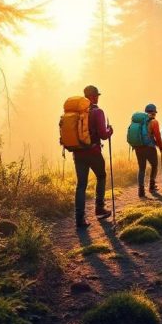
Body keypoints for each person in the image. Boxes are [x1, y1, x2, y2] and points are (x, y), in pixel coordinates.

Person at [73, 85, 112, 229]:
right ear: (94, 97)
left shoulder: (76, 113)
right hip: (93, 152)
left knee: (81, 185)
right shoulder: (98, 112)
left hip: (77, 153)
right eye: (97, 95)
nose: (97, 98)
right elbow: (103, 134)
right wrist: (110, 131)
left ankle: (79, 219)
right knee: (101, 176)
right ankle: (99, 208)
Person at [128, 103, 162, 197]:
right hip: (149, 147)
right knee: (154, 165)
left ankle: (141, 190)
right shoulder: (154, 122)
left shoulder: (138, 121)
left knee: (142, 168)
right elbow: (158, 136)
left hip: (138, 147)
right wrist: (160, 146)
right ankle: (152, 186)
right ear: (154, 112)